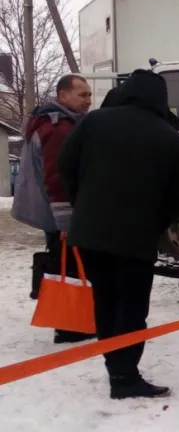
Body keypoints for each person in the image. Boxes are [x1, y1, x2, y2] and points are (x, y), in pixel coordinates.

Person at [58, 70, 179, 399]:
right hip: (137, 239)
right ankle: (125, 375)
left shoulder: (93, 123)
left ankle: (115, 368)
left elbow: (66, 164)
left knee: (105, 301)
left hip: (90, 234)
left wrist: (83, 202)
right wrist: (156, 222)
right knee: (131, 308)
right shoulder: (173, 139)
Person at [11, 74, 94, 344]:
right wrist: (66, 222)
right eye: (82, 95)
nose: (88, 100)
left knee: (64, 264)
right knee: (68, 266)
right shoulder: (58, 128)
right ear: (62, 96)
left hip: (55, 213)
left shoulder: (56, 122)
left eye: (89, 94)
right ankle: (70, 326)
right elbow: (57, 178)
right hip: (60, 214)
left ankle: (70, 322)